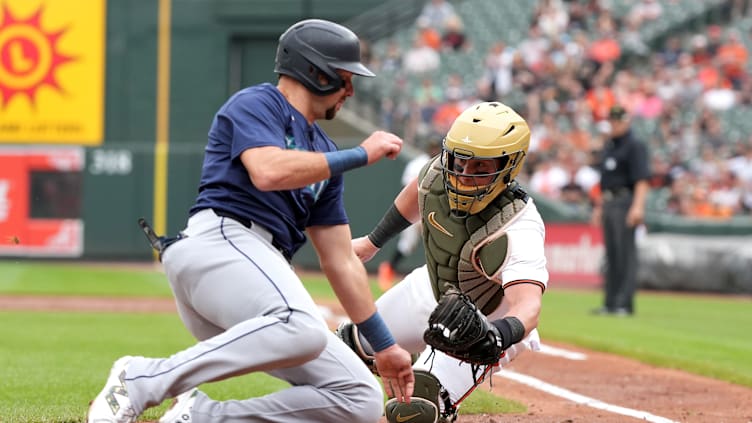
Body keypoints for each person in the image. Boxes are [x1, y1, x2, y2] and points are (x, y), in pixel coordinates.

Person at [86, 18, 415, 423]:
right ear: (315, 71)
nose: (350, 90)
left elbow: (341, 260)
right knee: (303, 326)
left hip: (258, 277)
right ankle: (139, 380)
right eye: (345, 77)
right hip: (219, 244)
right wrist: (360, 154)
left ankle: (200, 416)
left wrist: (384, 346)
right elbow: (268, 171)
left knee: (359, 398)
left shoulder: (324, 152)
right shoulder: (258, 103)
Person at [338, 102, 548, 422]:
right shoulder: (439, 173)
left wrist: (497, 336)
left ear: (509, 166)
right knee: (348, 347)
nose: (463, 174)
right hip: (431, 289)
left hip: (483, 322)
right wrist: (372, 242)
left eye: (480, 167)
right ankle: (412, 360)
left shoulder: (518, 225)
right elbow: (417, 193)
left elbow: (528, 307)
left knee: (414, 411)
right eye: (461, 160)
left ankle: (439, 393)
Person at [591, 105, 651, 316]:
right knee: (612, 254)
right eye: (612, 121)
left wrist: (638, 207)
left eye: (618, 122)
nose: (614, 125)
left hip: (626, 200)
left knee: (625, 253)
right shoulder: (610, 145)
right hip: (609, 202)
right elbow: (604, 180)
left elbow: (642, 179)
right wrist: (599, 206)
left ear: (626, 122)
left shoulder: (635, 146)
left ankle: (624, 303)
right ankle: (610, 302)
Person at [377, 139, 442, 291]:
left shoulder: (442, 163)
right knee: (407, 245)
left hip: (434, 211)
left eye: (436, 147)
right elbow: (409, 190)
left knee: (435, 243)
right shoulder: (417, 164)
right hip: (415, 210)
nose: (434, 149)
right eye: (432, 146)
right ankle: (388, 269)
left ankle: (434, 279)